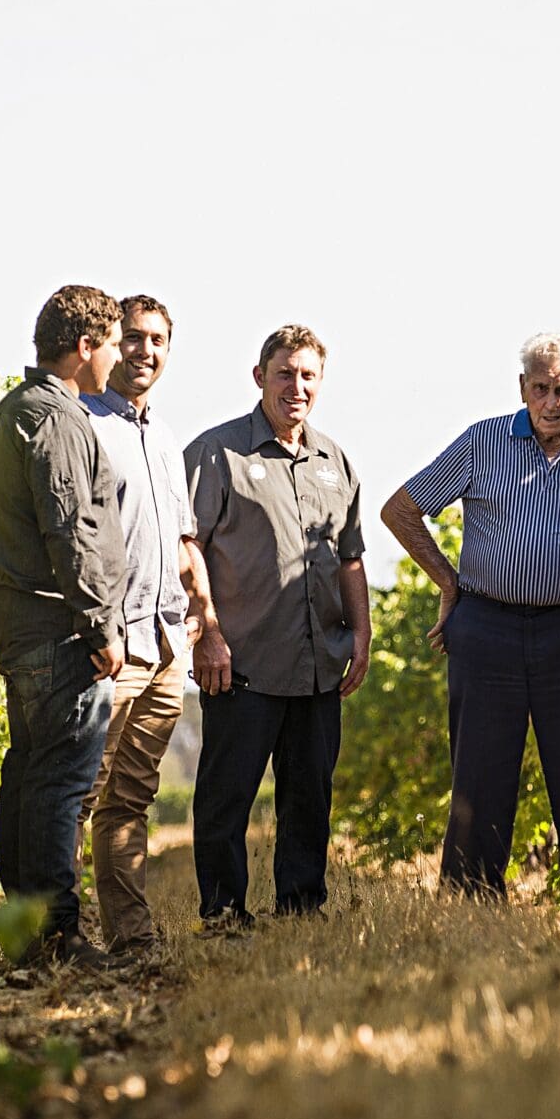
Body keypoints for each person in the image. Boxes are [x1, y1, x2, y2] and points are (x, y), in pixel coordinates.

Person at [380, 333, 560, 929]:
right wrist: (450, 584)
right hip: (487, 630)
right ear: (522, 389)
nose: (552, 401)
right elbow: (400, 508)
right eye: (541, 388)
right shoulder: (482, 443)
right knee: (481, 774)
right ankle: (472, 915)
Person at [182, 325, 371, 932]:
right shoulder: (217, 453)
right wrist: (206, 631)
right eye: (285, 373)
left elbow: (350, 557)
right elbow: (187, 548)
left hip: (319, 663)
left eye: (308, 375)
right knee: (226, 798)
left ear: (321, 382)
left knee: (310, 798)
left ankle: (300, 908)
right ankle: (222, 914)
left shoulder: (336, 461)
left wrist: (361, 634)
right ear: (259, 376)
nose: (297, 386)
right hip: (242, 662)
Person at [0, 285, 127, 965]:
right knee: (61, 780)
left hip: (26, 623)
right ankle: (57, 934)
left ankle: (24, 928)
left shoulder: (18, 408)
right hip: (60, 630)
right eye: (115, 343)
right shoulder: (59, 419)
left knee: (31, 773)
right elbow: (70, 529)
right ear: (86, 347)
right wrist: (99, 625)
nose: (119, 358)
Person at [76, 294, 222, 961]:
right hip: (111, 646)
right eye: (132, 338)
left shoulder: (163, 438)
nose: (145, 350)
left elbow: (187, 539)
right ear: (110, 343)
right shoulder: (84, 424)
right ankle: (53, 934)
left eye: (158, 340)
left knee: (129, 800)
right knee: (78, 793)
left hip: (167, 648)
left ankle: (130, 938)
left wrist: (207, 620)